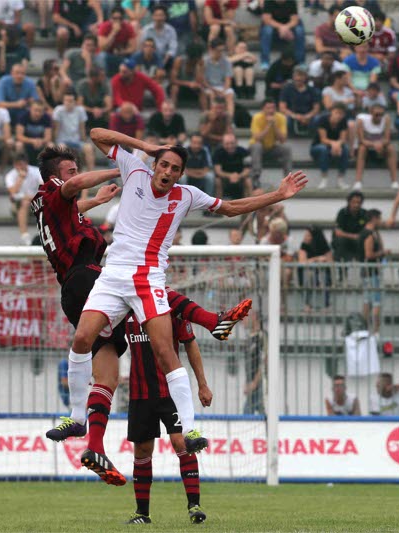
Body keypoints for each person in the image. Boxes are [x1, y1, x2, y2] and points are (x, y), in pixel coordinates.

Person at [67, 128, 305, 472]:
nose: (166, 172)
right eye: (163, 164)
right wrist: (145, 145)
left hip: (148, 279)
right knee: (81, 338)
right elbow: (96, 134)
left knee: (165, 352)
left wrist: (278, 194)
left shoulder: (187, 195)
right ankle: (77, 417)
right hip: (114, 274)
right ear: (156, 164)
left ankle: (191, 427)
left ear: (180, 174)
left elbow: (232, 207)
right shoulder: (134, 168)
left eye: (174, 169)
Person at [32, 144, 256, 482]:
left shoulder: (48, 205)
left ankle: (93, 444)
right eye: (71, 171)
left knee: (105, 367)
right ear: (55, 176)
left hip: (74, 288)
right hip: (86, 276)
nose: (76, 176)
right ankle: (212, 320)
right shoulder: (54, 190)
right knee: (145, 288)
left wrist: (97, 201)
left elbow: (72, 207)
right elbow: (75, 187)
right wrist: (120, 169)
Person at [124, 310, 211, 525]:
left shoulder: (172, 307)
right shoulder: (123, 303)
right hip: (140, 393)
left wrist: (202, 384)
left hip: (170, 391)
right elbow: (108, 341)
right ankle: (142, 514)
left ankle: (195, 506)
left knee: (181, 442)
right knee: (142, 449)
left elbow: (190, 343)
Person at [249, 98, 292, 186]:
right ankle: (256, 177)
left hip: (272, 147)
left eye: (273, 108)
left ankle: (288, 178)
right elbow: (257, 138)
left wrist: (274, 125)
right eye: (268, 108)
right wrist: (268, 125)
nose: (271, 110)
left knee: (286, 148)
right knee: (257, 146)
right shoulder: (257, 117)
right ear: (263, 109)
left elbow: (283, 140)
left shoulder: (281, 118)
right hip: (257, 147)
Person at [354, 103, 397, 189]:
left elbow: (387, 139)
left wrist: (380, 144)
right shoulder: (361, 120)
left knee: (391, 149)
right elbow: (361, 140)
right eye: (377, 115)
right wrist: (374, 144)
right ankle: (358, 181)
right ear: (371, 113)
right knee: (362, 149)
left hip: (381, 145)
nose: (379, 117)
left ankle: (394, 181)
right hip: (365, 145)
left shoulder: (387, 119)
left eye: (381, 114)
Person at [5, 152, 43, 245]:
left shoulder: (36, 171)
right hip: (18, 203)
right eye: (17, 165)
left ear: (26, 163)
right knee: (25, 202)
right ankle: (25, 236)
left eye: (21, 164)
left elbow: (44, 189)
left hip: (36, 201)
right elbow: (13, 193)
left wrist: (32, 197)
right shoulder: (10, 175)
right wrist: (20, 178)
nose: (19, 167)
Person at [52, 91, 95, 171]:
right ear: (63, 101)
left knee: (89, 148)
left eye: (70, 101)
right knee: (62, 148)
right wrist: (55, 142)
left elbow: (82, 129)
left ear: (75, 102)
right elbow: (56, 129)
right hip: (62, 140)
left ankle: (90, 174)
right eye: (66, 100)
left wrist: (84, 141)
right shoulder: (58, 110)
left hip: (76, 141)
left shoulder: (80, 110)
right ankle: (64, 175)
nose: (68, 103)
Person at [311, 103, 350, 190]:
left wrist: (338, 144)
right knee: (323, 149)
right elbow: (323, 139)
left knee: (346, 150)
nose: (339, 115)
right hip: (318, 147)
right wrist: (334, 144)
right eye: (337, 112)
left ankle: (341, 180)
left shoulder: (343, 121)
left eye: (341, 113)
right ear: (331, 112)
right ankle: (324, 179)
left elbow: (343, 139)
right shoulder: (323, 119)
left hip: (335, 147)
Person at [259, 0, 305, 68]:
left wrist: (286, 28)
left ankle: (300, 61)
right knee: (267, 31)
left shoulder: (291, 2)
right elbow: (267, 20)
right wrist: (281, 27)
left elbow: (294, 20)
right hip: (273, 27)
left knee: (299, 31)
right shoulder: (268, 1)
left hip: (289, 27)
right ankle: (265, 61)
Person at [278, 67, 320, 137]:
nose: (298, 78)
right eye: (296, 76)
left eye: (301, 76)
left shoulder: (312, 90)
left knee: (317, 119)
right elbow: (282, 108)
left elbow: (316, 108)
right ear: (293, 77)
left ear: (305, 77)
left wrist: (308, 116)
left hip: (308, 114)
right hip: (292, 115)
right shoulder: (287, 89)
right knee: (285, 120)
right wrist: (295, 116)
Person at [97, 7, 138, 77]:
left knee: (135, 57)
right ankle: (104, 79)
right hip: (108, 54)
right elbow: (102, 47)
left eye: (120, 18)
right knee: (101, 56)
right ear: (110, 18)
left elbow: (133, 48)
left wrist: (122, 52)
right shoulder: (104, 26)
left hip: (122, 55)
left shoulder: (128, 27)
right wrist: (113, 32)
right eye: (115, 18)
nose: (117, 21)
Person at [200, 38, 234, 116]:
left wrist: (223, 91)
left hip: (222, 87)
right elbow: (203, 81)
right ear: (211, 49)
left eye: (222, 50)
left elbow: (228, 80)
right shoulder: (204, 61)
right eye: (218, 50)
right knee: (212, 94)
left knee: (229, 95)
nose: (221, 53)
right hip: (208, 87)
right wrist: (214, 90)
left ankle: (229, 119)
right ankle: (213, 117)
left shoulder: (227, 62)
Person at [212, 132, 250, 201]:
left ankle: (250, 208)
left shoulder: (245, 152)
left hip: (240, 178)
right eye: (227, 143)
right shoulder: (217, 153)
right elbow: (218, 171)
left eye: (232, 143)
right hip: (224, 179)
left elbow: (247, 170)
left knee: (248, 181)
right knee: (217, 181)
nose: (230, 146)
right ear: (223, 144)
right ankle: (218, 208)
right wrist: (230, 176)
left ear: (236, 142)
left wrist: (238, 176)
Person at [16, 100, 53, 166]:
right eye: (36, 110)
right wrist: (33, 141)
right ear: (30, 109)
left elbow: (48, 137)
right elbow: (19, 136)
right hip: (27, 142)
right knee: (19, 145)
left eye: (40, 111)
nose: (38, 113)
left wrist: (40, 141)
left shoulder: (47, 117)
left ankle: (48, 168)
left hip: (41, 143)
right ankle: (20, 166)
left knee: (51, 145)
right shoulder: (23, 116)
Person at [332, 191, 365, 261]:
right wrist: (353, 236)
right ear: (349, 202)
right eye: (354, 202)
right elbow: (338, 232)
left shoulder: (364, 213)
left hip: (358, 241)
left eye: (359, 202)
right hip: (343, 240)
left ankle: (364, 267)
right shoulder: (342, 212)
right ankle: (341, 267)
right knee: (340, 241)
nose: (356, 205)